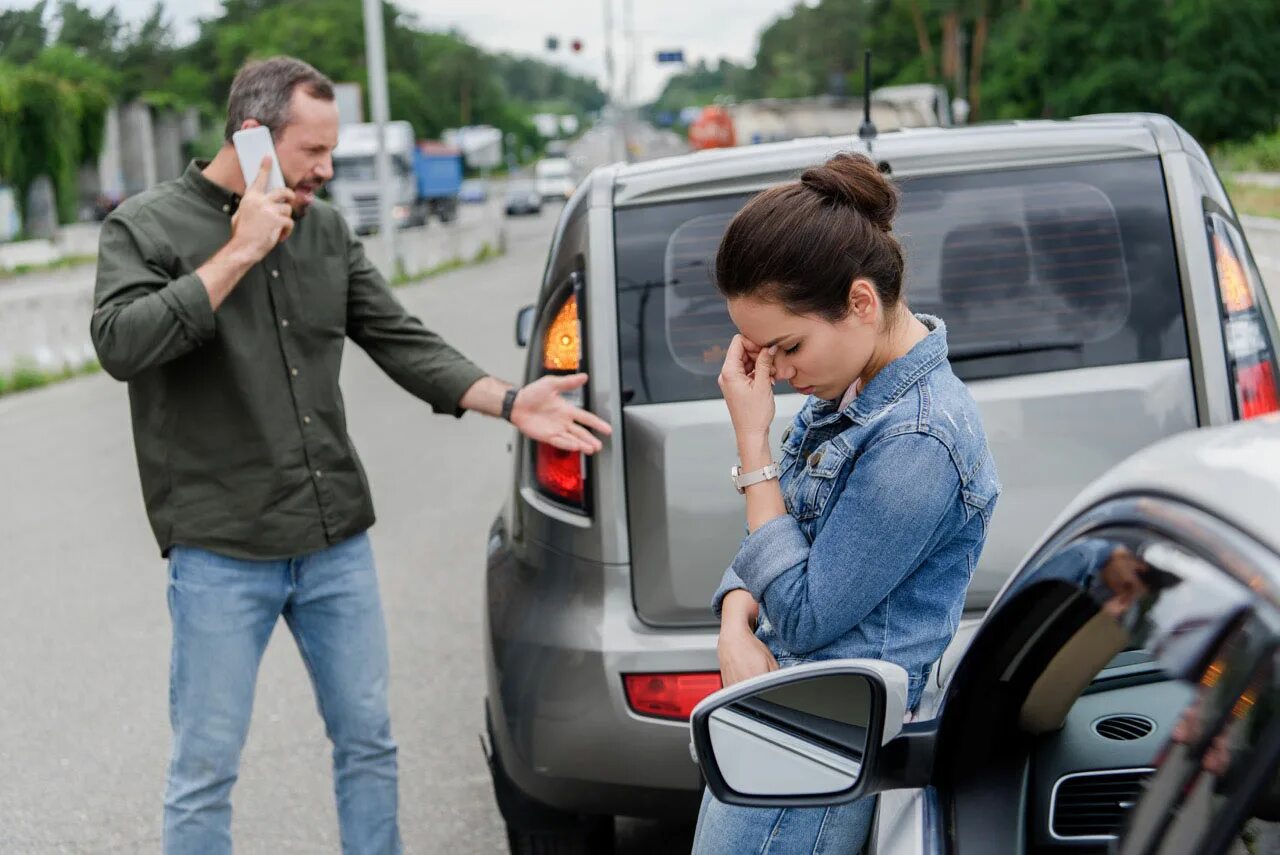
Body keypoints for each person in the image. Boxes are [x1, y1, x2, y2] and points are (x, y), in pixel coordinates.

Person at [89, 56, 610, 855]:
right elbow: (122, 344)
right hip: (222, 549)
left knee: (368, 744)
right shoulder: (147, 227)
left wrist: (511, 399)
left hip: (335, 541)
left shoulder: (325, 229)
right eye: (314, 153)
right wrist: (236, 253)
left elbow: (400, 339)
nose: (328, 171)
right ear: (255, 139)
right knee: (205, 769)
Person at [692, 152, 1001, 854]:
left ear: (861, 302)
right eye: (762, 356)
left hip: (816, 755)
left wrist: (752, 439)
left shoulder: (919, 438)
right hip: (781, 727)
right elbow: (779, 544)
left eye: (787, 347)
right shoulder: (852, 395)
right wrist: (735, 624)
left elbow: (801, 614)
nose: (779, 374)